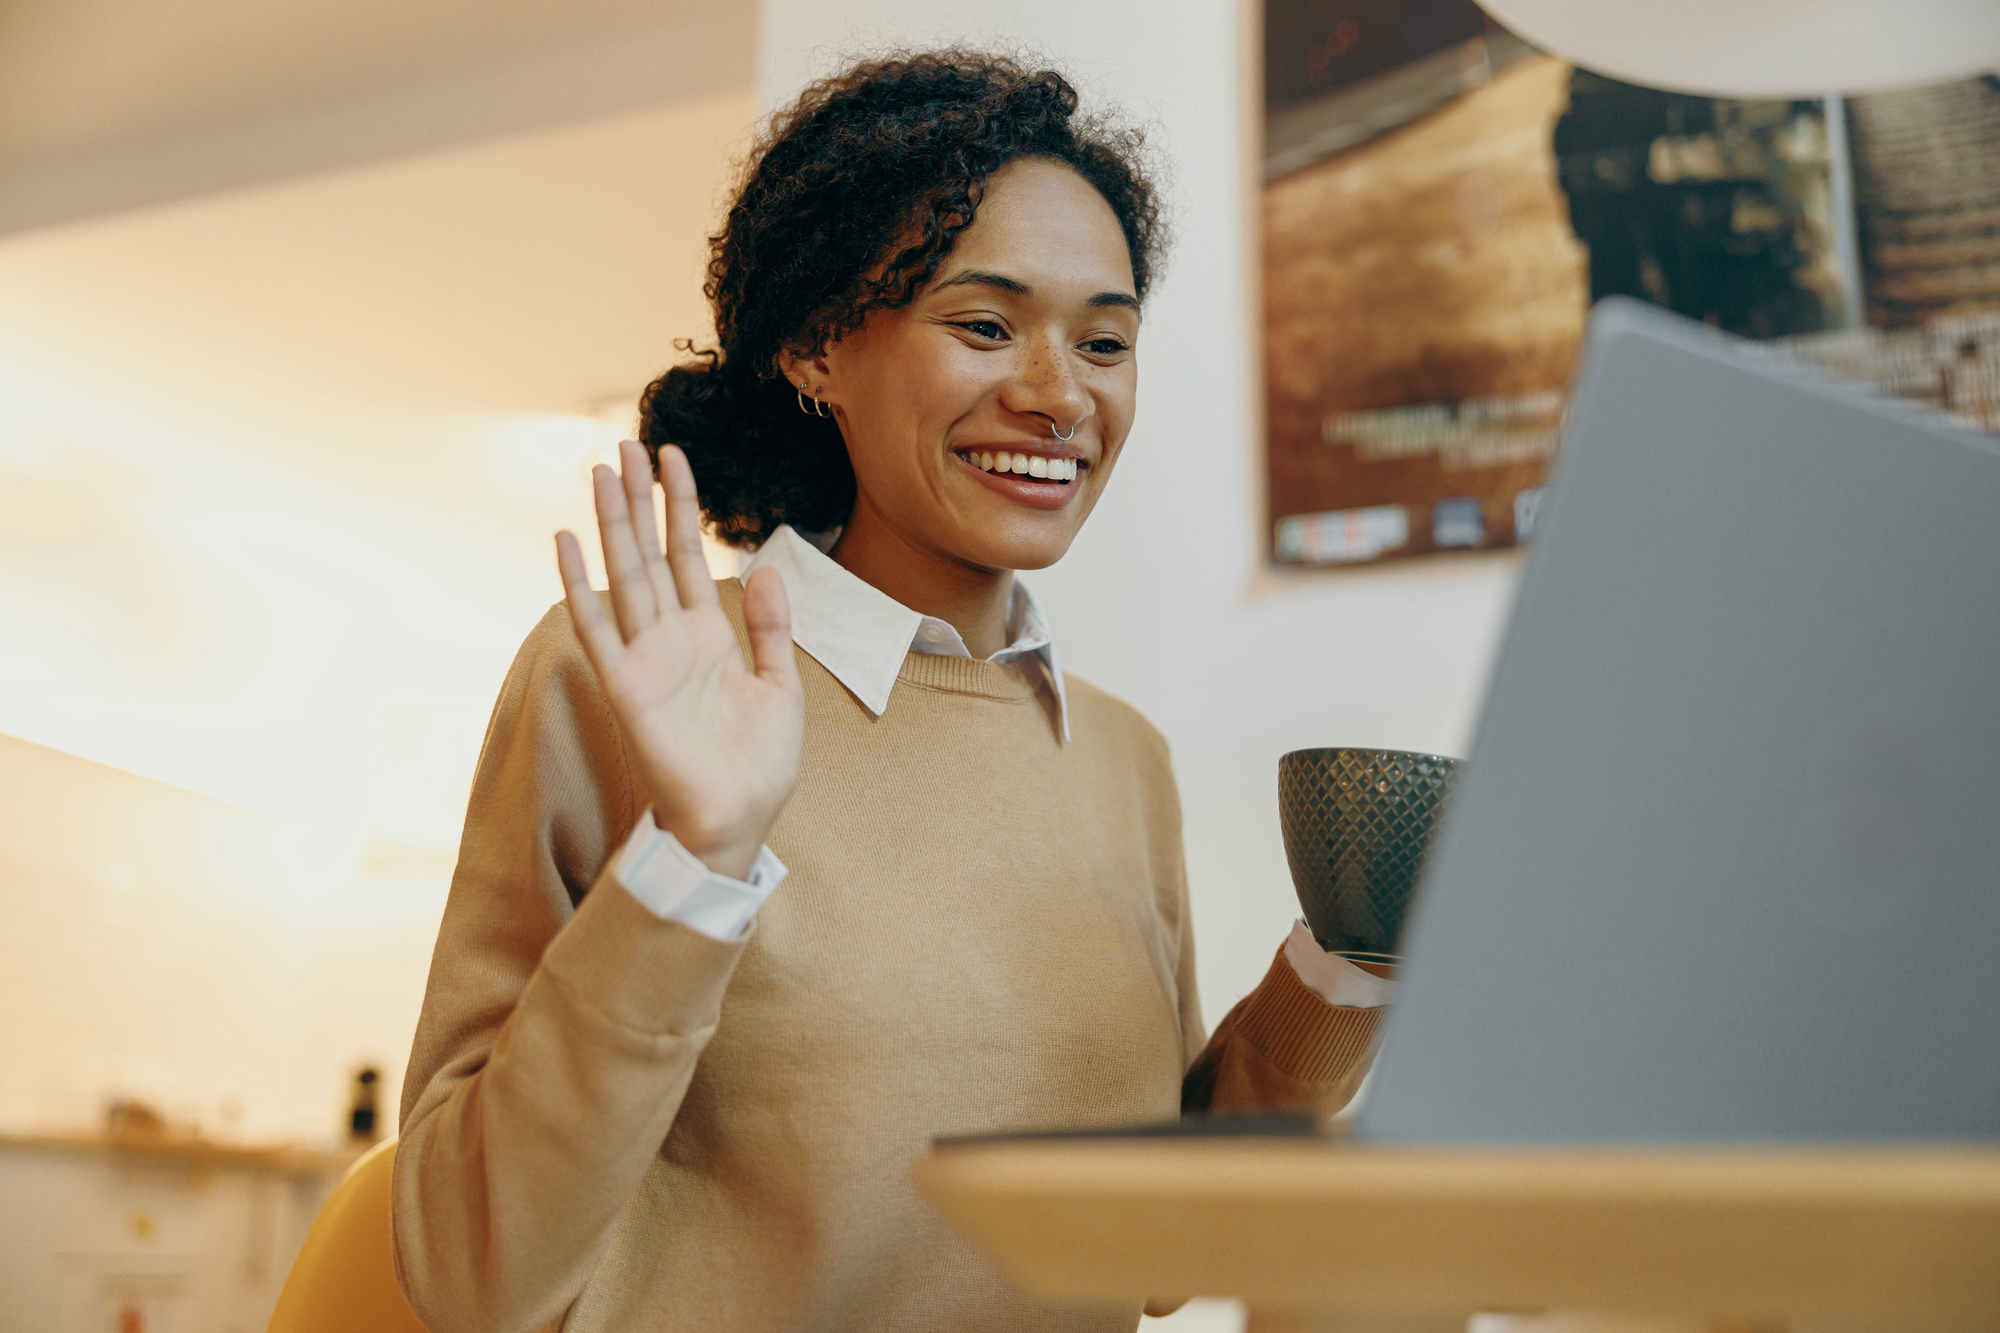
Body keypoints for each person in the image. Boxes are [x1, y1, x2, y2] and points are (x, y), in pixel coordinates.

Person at [393, 49, 1392, 1333]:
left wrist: (1348, 958)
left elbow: (1148, 1250)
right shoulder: (622, 686)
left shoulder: (1118, 760)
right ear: (816, 347)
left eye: (1104, 341)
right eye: (983, 325)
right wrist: (696, 860)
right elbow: (471, 1271)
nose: (1056, 395)